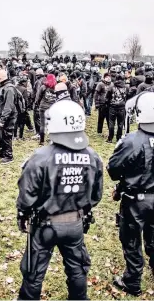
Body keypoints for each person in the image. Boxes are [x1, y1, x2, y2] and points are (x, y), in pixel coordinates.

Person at [16, 100, 103, 300]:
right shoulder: (92, 156)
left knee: (34, 271)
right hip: (75, 224)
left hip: (44, 224)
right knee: (77, 269)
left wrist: (22, 214)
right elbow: (96, 195)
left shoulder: (40, 157)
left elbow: (26, 195)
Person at [107, 92, 154, 296]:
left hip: (136, 200)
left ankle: (132, 281)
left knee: (131, 240)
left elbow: (113, 169)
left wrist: (122, 184)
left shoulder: (132, 140)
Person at [0, 66, 18, 164]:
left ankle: (8, 155)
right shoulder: (4, 87)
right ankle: (2, 151)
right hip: (2, 116)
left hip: (8, 117)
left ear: (0, 78)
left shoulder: (9, 89)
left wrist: (3, 120)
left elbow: (8, 106)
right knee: (0, 135)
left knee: (7, 135)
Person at [34, 74, 56, 145]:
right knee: (51, 124)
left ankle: (42, 141)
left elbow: (38, 97)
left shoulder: (43, 87)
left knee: (42, 124)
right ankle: (51, 139)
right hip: (52, 108)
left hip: (43, 107)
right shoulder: (56, 88)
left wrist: (37, 104)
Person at [106, 74, 128, 143]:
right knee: (120, 124)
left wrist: (108, 103)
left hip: (112, 107)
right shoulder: (126, 87)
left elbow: (107, 97)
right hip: (122, 107)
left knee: (111, 123)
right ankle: (119, 138)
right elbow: (128, 96)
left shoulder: (112, 86)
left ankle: (110, 138)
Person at [14, 75, 29, 140]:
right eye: (26, 82)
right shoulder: (24, 89)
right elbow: (26, 100)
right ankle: (20, 136)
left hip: (15, 107)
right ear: (23, 82)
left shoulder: (14, 87)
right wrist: (27, 107)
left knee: (15, 122)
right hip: (22, 108)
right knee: (22, 122)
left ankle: (14, 136)